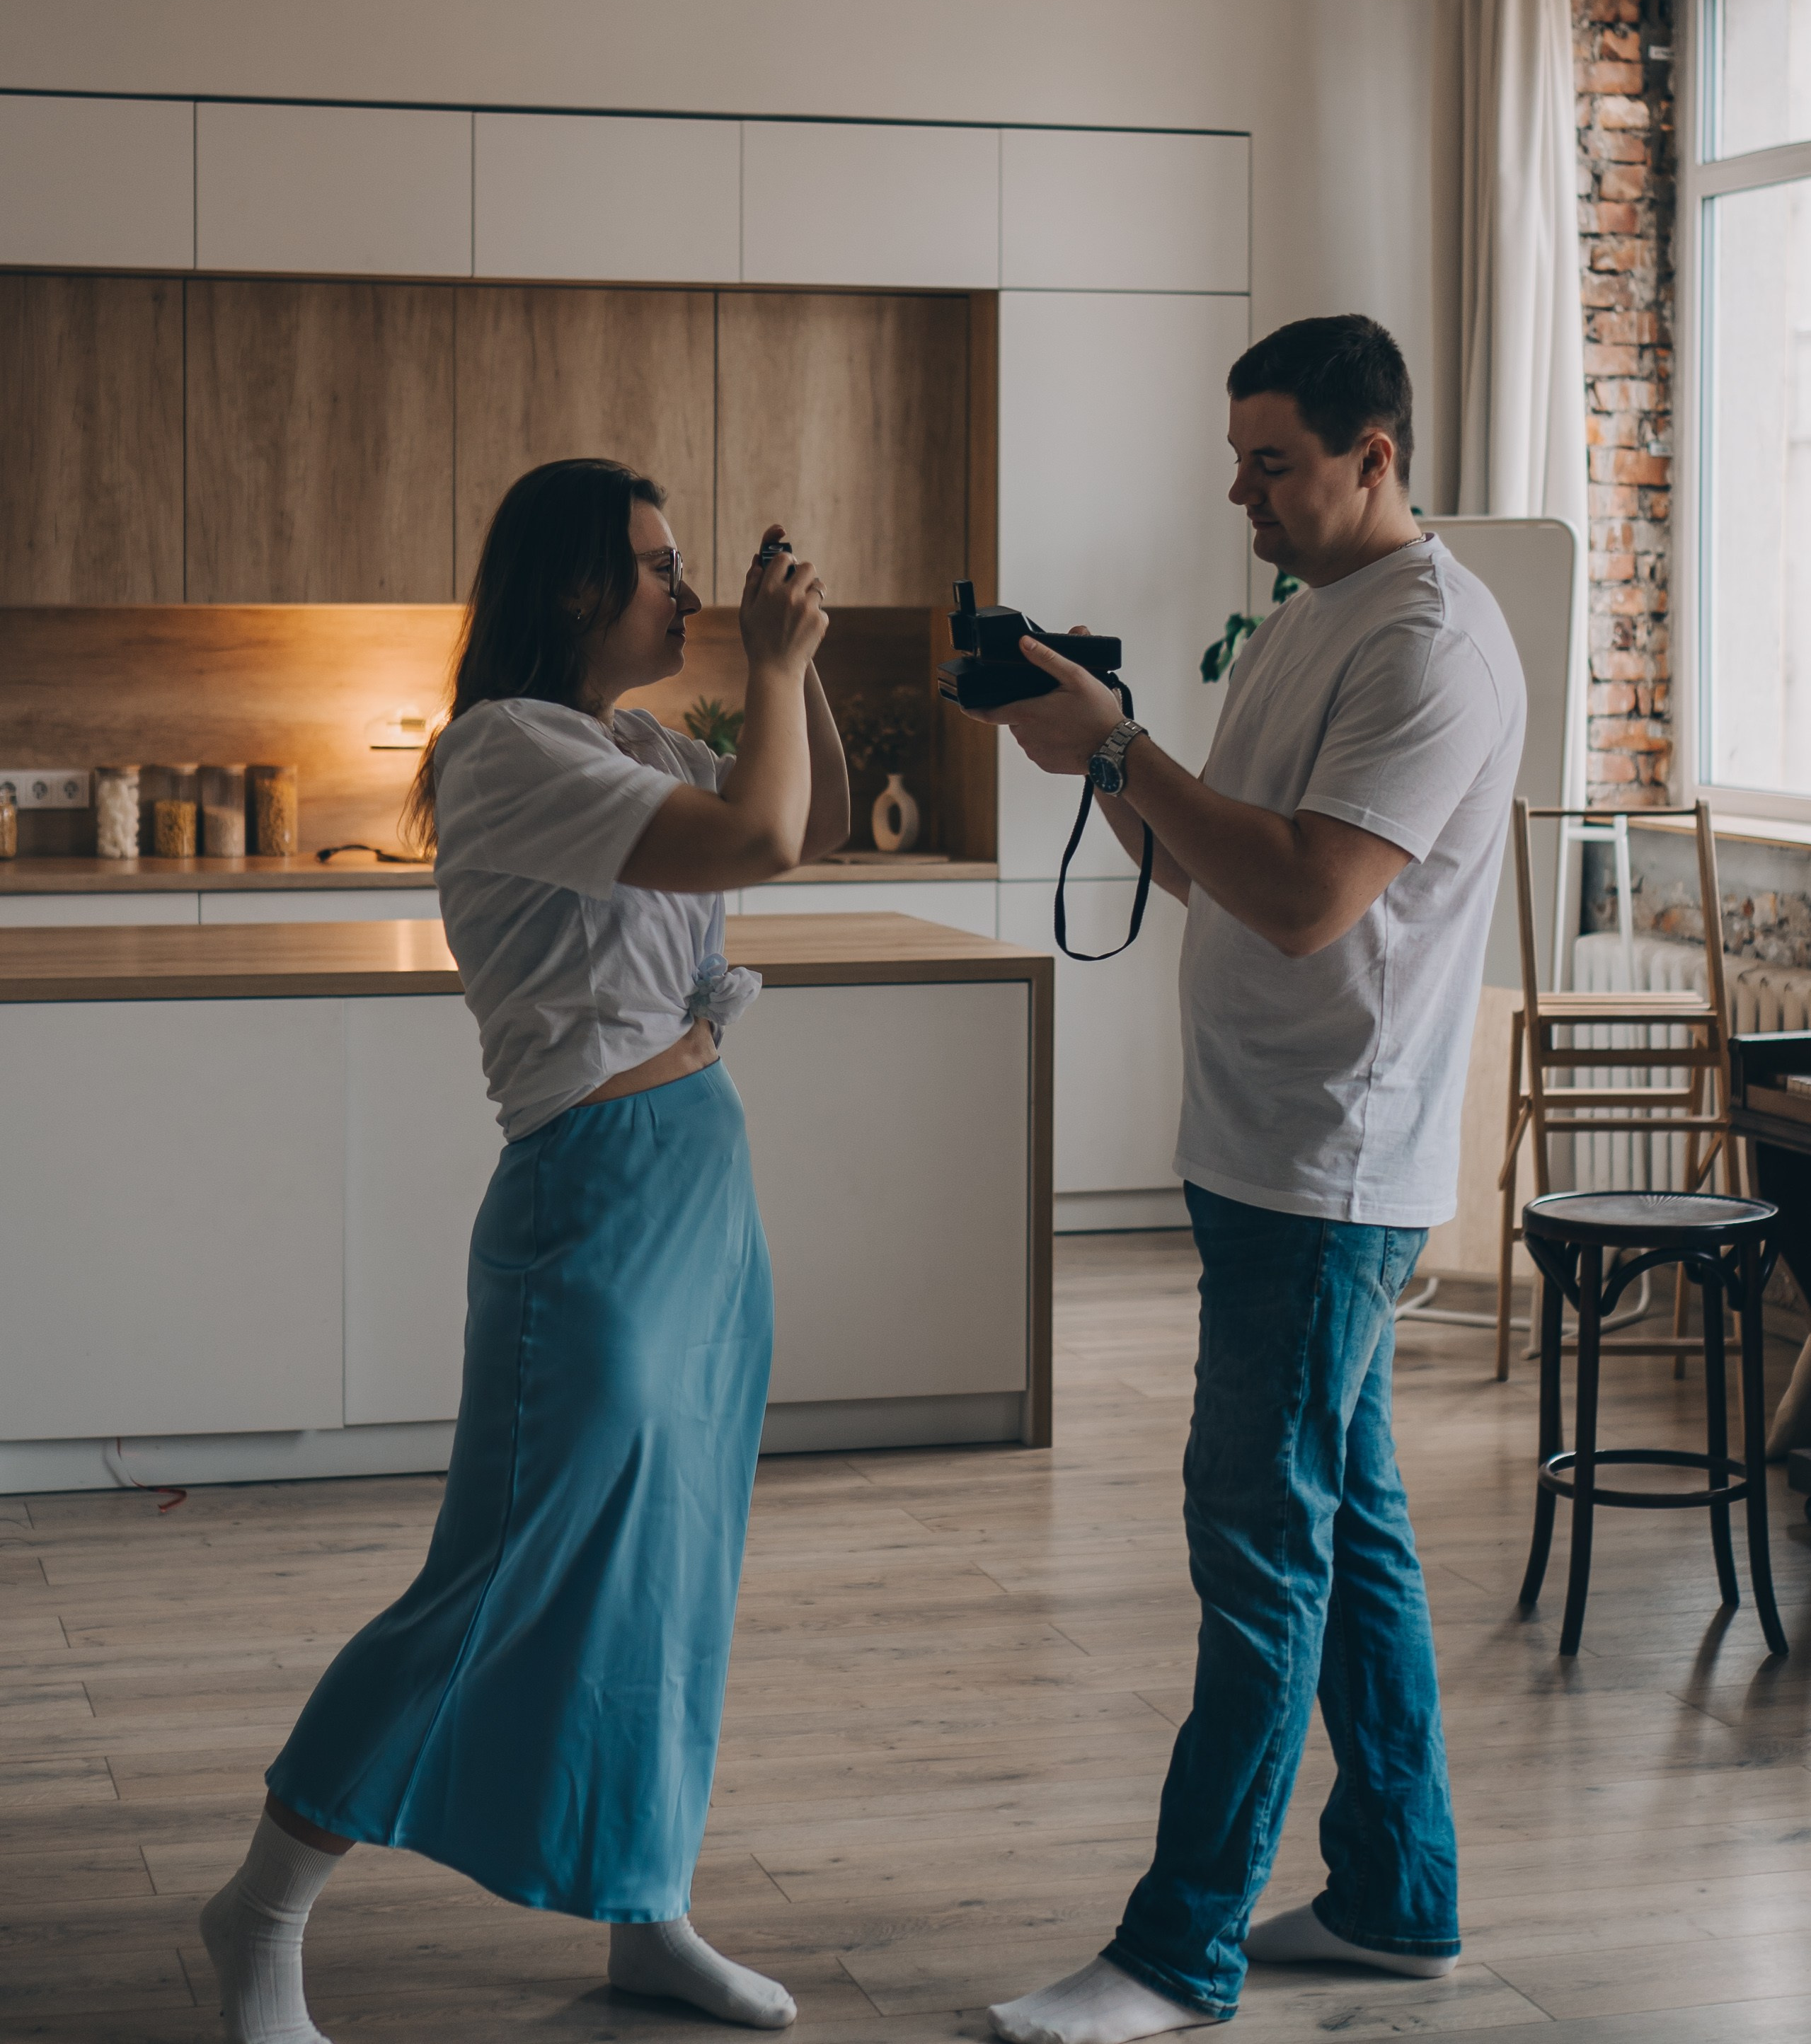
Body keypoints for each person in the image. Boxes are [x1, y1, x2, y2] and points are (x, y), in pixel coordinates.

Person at [201, 458, 849, 2044]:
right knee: (504, 1567)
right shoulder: (504, 754)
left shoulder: (633, 736)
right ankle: (259, 1908)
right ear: (567, 587)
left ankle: (644, 1908)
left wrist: (798, 670)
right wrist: (764, 669)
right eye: (653, 565)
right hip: (591, 1187)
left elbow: (808, 820)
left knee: (671, 1566)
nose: (683, 591)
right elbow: (755, 849)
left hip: (699, 1169)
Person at [981, 316, 1524, 2037]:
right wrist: (1105, 759)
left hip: (1327, 1166)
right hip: (1261, 1149)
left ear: (1377, 455)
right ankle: (1392, 1902)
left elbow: (1305, 899)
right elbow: (1224, 861)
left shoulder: (1430, 644)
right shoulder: (1309, 619)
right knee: (1344, 1540)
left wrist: (1133, 755)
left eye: (1273, 461)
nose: (1242, 494)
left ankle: (1175, 1950)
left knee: (1257, 1552)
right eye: (1237, 461)